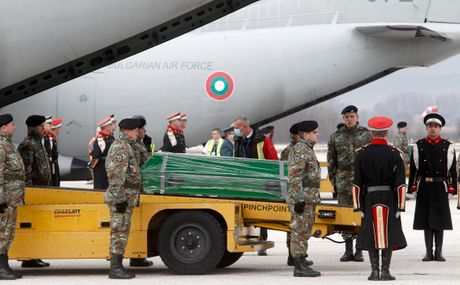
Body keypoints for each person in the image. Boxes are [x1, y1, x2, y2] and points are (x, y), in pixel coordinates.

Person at [353, 116, 407, 281]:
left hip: (369, 197)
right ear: (387, 132)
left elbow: (356, 184)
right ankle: (385, 271)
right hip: (389, 197)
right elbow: (400, 184)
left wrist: (358, 207)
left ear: (371, 133)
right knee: (388, 233)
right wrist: (400, 206)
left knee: (371, 232)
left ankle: (374, 272)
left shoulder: (362, 154)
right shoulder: (395, 154)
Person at [408, 113, 458, 262]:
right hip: (424, 186)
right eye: (430, 126)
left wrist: (452, 189)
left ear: (440, 129)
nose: (433, 129)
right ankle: (428, 252)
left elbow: (453, 171)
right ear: (426, 128)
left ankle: (439, 251)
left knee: (440, 220)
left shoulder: (447, 146)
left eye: (436, 127)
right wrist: (413, 187)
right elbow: (413, 170)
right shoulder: (419, 145)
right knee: (426, 220)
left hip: (440, 185)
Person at [327, 105, 372, 262]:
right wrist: (334, 181)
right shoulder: (336, 137)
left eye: (352, 116)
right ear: (343, 119)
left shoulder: (367, 135)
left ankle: (359, 249)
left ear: (357, 117)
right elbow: (331, 162)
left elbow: (372, 159)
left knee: (361, 214)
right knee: (345, 215)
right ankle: (348, 249)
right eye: (346, 117)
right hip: (344, 180)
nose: (350, 119)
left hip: (362, 181)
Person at [232, 116, 278, 255]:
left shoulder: (263, 141)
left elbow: (273, 160)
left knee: (261, 213)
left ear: (244, 127)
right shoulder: (239, 141)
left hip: (260, 183)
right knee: (245, 214)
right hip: (243, 183)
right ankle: (247, 240)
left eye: (237, 128)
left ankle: (262, 242)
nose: (235, 131)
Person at [105, 118, 143, 279]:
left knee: (122, 231)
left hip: (127, 197)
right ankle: (115, 267)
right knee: (118, 232)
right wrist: (120, 198)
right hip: (121, 197)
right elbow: (115, 175)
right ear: (127, 131)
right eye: (135, 130)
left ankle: (117, 265)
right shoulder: (120, 147)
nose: (137, 133)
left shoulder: (126, 145)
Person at [287, 120, 321, 277]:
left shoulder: (307, 149)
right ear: (306, 134)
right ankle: (299, 267)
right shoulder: (300, 150)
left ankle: (301, 263)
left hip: (308, 198)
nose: (317, 134)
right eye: (315, 132)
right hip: (302, 198)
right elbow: (294, 177)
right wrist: (299, 199)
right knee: (299, 231)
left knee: (304, 231)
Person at [17, 115, 51, 268]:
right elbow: (26, 169)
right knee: (31, 224)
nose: (44, 129)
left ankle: (34, 256)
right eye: (41, 127)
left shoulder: (38, 142)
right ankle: (29, 258)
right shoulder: (28, 144)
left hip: (41, 189)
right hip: (34, 189)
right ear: (32, 127)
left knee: (38, 224)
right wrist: (30, 190)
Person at [0, 114, 25, 280]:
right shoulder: (1, 146)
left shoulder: (7, 145)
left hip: (11, 198)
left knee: (8, 233)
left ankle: (4, 265)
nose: (14, 127)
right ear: (3, 127)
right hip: (5, 199)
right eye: (12, 124)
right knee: (3, 232)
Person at [127, 116, 153, 267]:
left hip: (139, 189)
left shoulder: (141, 143)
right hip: (132, 191)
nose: (145, 131)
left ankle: (137, 256)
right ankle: (131, 257)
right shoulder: (129, 145)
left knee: (139, 224)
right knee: (129, 225)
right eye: (143, 128)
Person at [280, 122, 300, 266]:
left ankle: (297, 254)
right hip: (292, 192)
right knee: (293, 225)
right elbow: (284, 172)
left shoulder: (302, 148)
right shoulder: (289, 150)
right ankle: (292, 255)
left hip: (300, 191)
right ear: (294, 135)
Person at [91, 115, 116, 190]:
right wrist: (91, 167)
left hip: (110, 168)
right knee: (101, 188)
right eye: (111, 124)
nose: (113, 126)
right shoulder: (100, 140)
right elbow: (96, 157)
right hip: (102, 169)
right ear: (106, 127)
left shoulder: (111, 138)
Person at [46, 118, 62, 187]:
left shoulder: (52, 138)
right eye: (49, 124)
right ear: (57, 128)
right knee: (53, 183)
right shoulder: (49, 138)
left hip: (54, 164)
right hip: (51, 164)